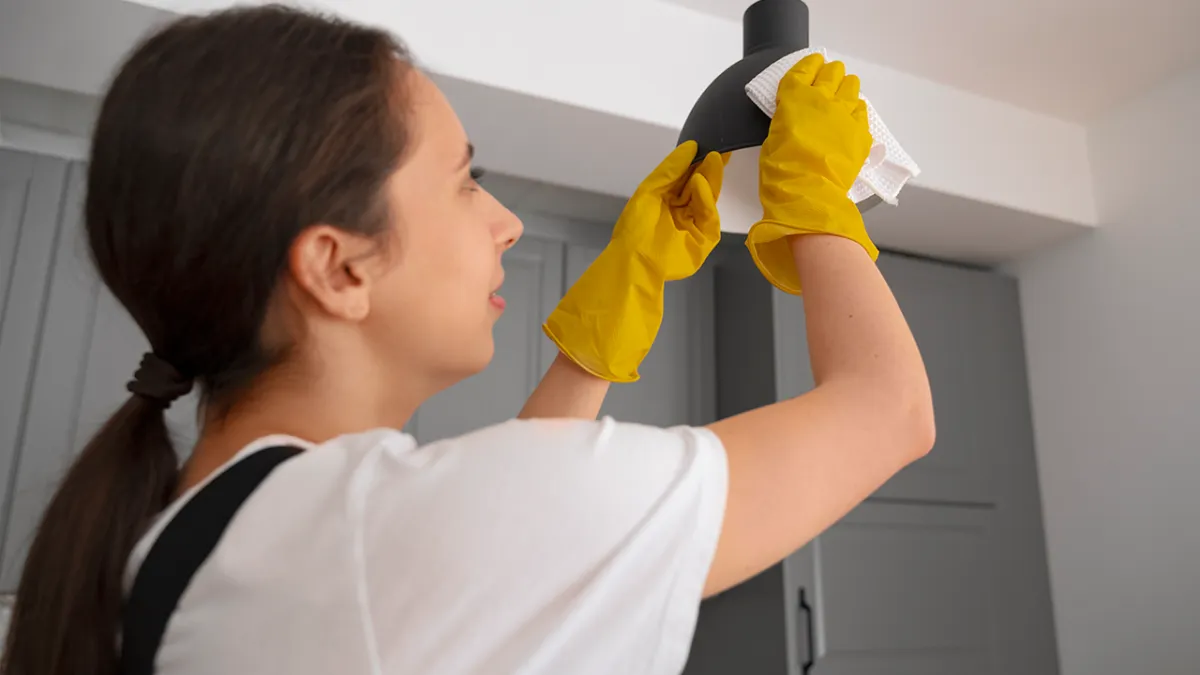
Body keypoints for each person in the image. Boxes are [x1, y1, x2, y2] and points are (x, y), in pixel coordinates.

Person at [0, 6, 933, 675]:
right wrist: (811, 204)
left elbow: (504, 530)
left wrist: (616, 304)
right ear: (339, 268)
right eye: (462, 180)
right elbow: (888, 411)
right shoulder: (374, 537)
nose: (506, 223)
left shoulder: (219, 532)